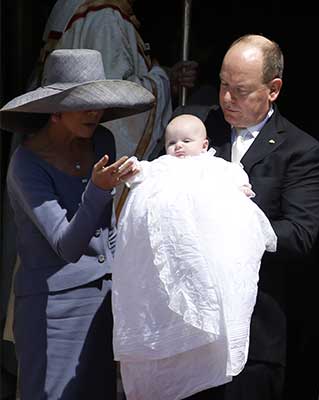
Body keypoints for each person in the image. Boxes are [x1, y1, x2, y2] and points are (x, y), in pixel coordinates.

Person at [175, 34, 319, 400]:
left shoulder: (300, 149)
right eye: (223, 85)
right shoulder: (194, 132)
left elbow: (300, 235)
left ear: (273, 90)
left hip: (256, 331)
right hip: (188, 326)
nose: (226, 98)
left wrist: (234, 222)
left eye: (240, 90)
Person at [0, 48, 154, 399]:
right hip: (53, 311)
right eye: (82, 102)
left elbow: (107, 228)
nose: (94, 111)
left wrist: (121, 279)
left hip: (103, 301)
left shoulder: (103, 140)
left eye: (97, 102)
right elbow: (66, 245)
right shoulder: (26, 164)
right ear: (53, 112)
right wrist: (98, 191)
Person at [112, 113, 276, 400]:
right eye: (171, 142)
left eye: (186, 141)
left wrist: (239, 190)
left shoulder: (216, 167)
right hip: (169, 255)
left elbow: (236, 181)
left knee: (209, 295)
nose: (178, 148)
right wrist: (132, 170)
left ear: (204, 144)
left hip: (204, 256)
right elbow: (142, 171)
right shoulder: (162, 167)